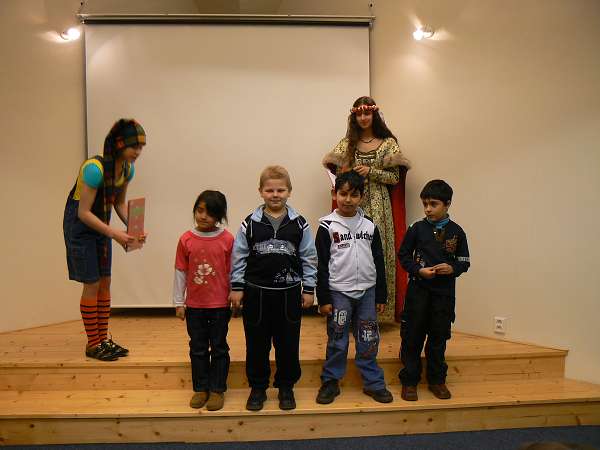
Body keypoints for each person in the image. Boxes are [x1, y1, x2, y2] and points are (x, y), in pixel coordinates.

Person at [229, 165, 317, 411]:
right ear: (260, 191)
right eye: (270, 190)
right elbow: (239, 257)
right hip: (256, 295)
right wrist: (237, 287)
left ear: (289, 191)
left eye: (280, 190)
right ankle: (258, 387)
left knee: (288, 344)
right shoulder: (249, 224)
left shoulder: (299, 224)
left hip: (289, 296)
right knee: (257, 344)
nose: (275, 195)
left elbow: (309, 257)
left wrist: (309, 289)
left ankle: (286, 386)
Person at [63, 118, 147, 361]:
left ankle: (102, 340)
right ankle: (93, 344)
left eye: (141, 147)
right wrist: (114, 234)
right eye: (134, 146)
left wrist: (133, 228)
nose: (138, 152)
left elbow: (118, 203)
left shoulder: (127, 170)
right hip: (81, 227)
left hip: (101, 226)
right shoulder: (94, 169)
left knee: (105, 282)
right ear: (120, 144)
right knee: (92, 283)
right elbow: (83, 213)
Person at [322, 96, 411, 323]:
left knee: (376, 253)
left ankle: (380, 308)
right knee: (347, 251)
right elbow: (336, 174)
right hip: (350, 203)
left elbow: (394, 177)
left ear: (374, 115)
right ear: (354, 117)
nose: (363, 117)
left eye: (367, 113)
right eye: (359, 114)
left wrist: (371, 172)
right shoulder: (347, 143)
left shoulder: (388, 143)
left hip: (379, 204)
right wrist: (350, 173)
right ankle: (347, 308)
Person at [315, 171, 393, 404]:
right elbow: (320, 264)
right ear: (334, 194)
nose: (348, 199)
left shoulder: (369, 225)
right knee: (337, 338)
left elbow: (379, 260)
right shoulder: (326, 226)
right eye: (343, 194)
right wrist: (324, 298)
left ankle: (373, 382)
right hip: (339, 293)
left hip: (368, 292)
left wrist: (381, 294)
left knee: (368, 338)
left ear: (362, 197)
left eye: (354, 195)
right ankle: (331, 381)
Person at [398, 179, 470, 401]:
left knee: (438, 339)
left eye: (433, 204)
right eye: (425, 204)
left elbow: (464, 262)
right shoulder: (416, 229)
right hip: (418, 294)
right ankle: (410, 381)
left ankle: (437, 380)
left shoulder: (457, 232)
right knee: (412, 337)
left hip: (443, 296)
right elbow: (403, 256)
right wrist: (418, 270)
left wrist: (452, 268)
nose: (428, 209)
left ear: (447, 204)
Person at [173, 190, 234, 411]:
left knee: (219, 347)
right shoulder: (186, 239)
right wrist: (178, 303)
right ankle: (200, 388)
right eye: (199, 210)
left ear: (219, 215)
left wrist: (235, 295)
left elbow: (233, 271)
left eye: (209, 212)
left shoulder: (228, 239)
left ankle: (217, 389)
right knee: (197, 348)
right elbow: (180, 271)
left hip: (220, 306)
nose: (203, 216)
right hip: (195, 307)